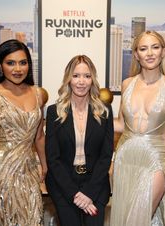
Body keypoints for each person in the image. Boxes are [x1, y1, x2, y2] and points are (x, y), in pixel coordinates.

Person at [110, 30, 165, 225]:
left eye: (155, 47)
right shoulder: (127, 84)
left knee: (136, 219)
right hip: (125, 158)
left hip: (155, 159)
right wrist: (90, 118)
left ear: (163, 51)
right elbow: (121, 124)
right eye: (143, 48)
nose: (150, 53)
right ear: (136, 55)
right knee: (128, 214)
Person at [0, 39, 47, 226]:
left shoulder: (38, 94)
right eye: (10, 63)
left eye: (23, 62)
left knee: (33, 218)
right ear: (0, 65)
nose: (18, 69)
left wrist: (45, 166)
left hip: (29, 171)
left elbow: (39, 136)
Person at [45, 55, 114, 226]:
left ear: (93, 80)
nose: (81, 81)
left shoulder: (105, 111)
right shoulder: (54, 112)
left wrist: (88, 193)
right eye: (76, 76)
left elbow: (106, 156)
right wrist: (75, 194)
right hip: (63, 185)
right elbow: (53, 159)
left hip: (96, 185)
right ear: (68, 79)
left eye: (87, 76)